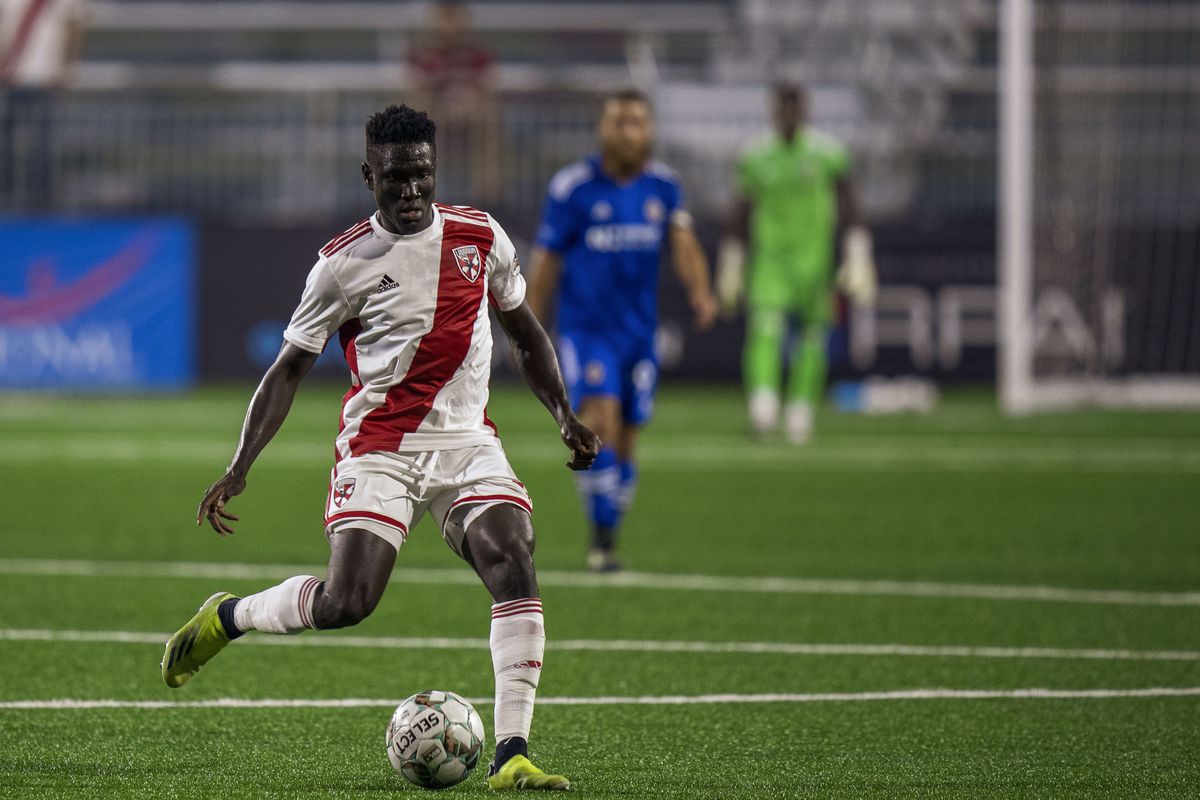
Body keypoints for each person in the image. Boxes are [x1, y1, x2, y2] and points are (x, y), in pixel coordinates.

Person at [161, 104, 598, 792]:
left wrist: (564, 416)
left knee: (513, 557)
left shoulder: (479, 236)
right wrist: (238, 466)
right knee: (347, 603)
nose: (411, 190)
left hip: (466, 445)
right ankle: (228, 617)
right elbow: (289, 370)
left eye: (421, 174)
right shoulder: (341, 267)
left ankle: (511, 750)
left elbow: (524, 331)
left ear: (435, 170)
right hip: (380, 449)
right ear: (370, 176)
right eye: (395, 178)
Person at [527, 88, 716, 573]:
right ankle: (602, 538)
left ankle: (609, 524)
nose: (627, 130)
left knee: (628, 438)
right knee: (601, 420)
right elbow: (547, 257)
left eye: (636, 121)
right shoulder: (572, 188)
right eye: (617, 121)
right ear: (602, 129)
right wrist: (526, 321)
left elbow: (684, 243)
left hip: (639, 334)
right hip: (587, 331)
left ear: (649, 131)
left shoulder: (664, 187)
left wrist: (700, 291)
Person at [716, 82, 876, 443]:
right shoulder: (755, 155)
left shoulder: (828, 152)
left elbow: (851, 204)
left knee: (813, 338)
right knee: (765, 330)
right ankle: (763, 406)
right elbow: (738, 212)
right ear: (773, 111)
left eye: (794, 107)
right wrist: (731, 264)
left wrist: (858, 254)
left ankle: (801, 411)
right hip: (770, 261)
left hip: (815, 265)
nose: (788, 114)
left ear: (805, 110)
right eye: (782, 108)